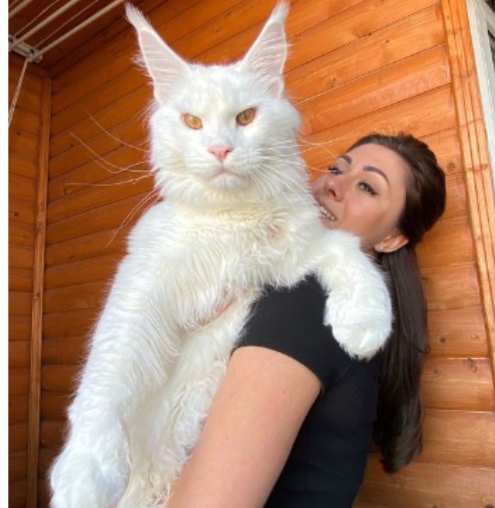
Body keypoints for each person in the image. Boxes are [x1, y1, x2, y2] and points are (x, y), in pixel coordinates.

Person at [166, 133, 448, 507]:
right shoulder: (333, 308)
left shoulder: (309, 301)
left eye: (367, 186)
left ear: (393, 238)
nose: (333, 184)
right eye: (336, 169)